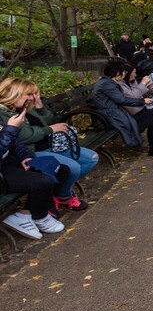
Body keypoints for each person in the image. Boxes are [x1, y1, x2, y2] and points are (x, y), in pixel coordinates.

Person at [0, 78, 97, 213]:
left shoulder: (26, 107)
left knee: (91, 158)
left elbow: (50, 120)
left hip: (52, 144)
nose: (32, 97)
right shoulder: (4, 114)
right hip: (33, 150)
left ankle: (57, 192)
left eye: (34, 94)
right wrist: (50, 129)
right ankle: (64, 196)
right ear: (14, 94)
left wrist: (40, 107)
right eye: (29, 94)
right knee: (72, 168)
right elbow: (23, 136)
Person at [1, 105, 68, 240]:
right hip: (2, 175)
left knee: (60, 170)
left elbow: (14, 144)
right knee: (42, 181)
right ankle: (40, 216)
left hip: (9, 163)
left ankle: (25, 214)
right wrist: (11, 129)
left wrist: (25, 156)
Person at [92, 59, 153, 154]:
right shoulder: (107, 84)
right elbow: (122, 100)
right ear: (117, 73)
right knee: (152, 115)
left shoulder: (108, 82)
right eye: (123, 72)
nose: (125, 74)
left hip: (113, 112)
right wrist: (142, 101)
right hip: (110, 116)